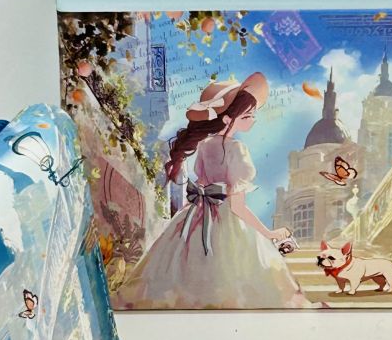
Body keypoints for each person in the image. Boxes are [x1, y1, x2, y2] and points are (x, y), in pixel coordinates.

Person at [118, 72, 308, 309]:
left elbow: (204, 183)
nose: (252, 120)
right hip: (225, 221)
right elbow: (237, 206)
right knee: (233, 276)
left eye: (252, 115)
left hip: (195, 216)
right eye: (247, 116)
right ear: (227, 119)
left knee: (182, 268)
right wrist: (268, 233)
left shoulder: (205, 146)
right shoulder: (237, 150)